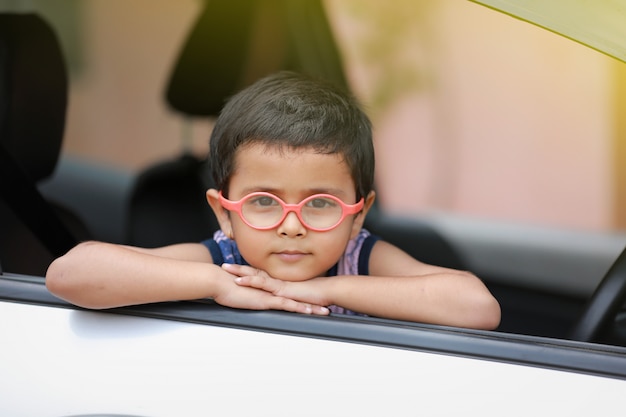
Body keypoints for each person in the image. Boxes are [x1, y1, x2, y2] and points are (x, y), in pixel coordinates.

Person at [46, 71, 501, 329]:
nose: (291, 225)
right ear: (224, 212)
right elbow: (71, 273)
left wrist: (320, 289)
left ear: (358, 215)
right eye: (263, 202)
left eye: (320, 203)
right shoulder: (221, 262)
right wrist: (220, 285)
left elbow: (476, 307)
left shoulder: (359, 258)